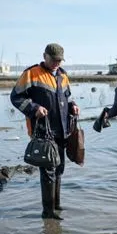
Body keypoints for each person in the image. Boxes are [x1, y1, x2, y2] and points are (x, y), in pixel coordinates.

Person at [10, 43, 80, 220]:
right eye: (54, 59)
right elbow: (16, 96)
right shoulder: (31, 73)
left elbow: (68, 96)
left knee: (59, 169)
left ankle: (56, 204)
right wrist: (34, 108)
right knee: (48, 170)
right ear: (45, 56)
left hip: (63, 130)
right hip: (43, 131)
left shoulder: (63, 75)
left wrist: (73, 106)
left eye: (59, 60)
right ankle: (48, 211)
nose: (57, 63)